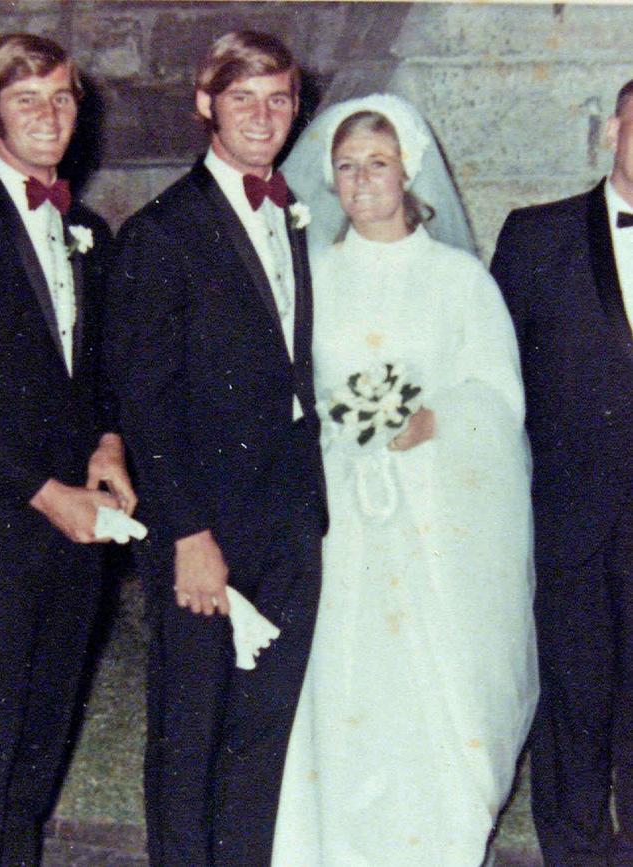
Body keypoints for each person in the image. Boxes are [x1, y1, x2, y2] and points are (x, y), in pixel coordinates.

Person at [273, 93, 538, 866]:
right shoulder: (311, 276)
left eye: (378, 164)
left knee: (434, 687)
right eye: (347, 167)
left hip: (434, 519)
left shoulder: (459, 280)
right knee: (343, 683)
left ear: (408, 171)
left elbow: (498, 394)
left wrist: (433, 422)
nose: (361, 181)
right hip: (338, 519)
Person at [104, 30, 326, 866]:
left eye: (278, 99)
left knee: (260, 737)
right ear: (205, 106)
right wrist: (189, 536)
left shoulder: (296, 216)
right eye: (243, 99)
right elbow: (146, 404)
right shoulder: (163, 233)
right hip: (206, 535)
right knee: (189, 737)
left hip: (291, 522)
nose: (263, 117)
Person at [0, 32, 136, 867]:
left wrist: (108, 443)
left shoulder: (89, 230)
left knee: (37, 755)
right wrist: (44, 489)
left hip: (70, 546)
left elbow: (97, 372)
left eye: (63, 97)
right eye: (26, 98)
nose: (50, 115)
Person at [491, 80, 633, 866]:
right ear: (613, 128)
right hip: (568, 517)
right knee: (573, 701)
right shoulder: (536, 236)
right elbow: (492, 379)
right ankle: (575, 852)